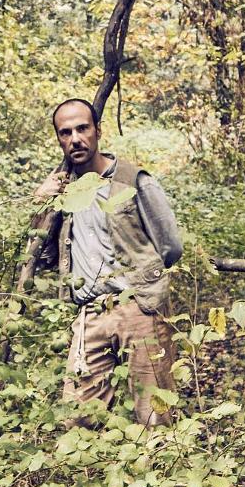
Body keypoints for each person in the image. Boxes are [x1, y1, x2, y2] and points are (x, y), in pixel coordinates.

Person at [28, 98, 183, 426]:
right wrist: (42, 204)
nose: (75, 139)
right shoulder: (62, 189)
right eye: (65, 132)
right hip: (90, 314)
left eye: (83, 128)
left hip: (139, 308)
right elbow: (41, 257)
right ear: (58, 139)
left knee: (156, 414)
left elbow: (170, 246)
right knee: (79, 417)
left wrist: (143, 282)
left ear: (98, 130)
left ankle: (164, 472)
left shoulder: (131, 179)